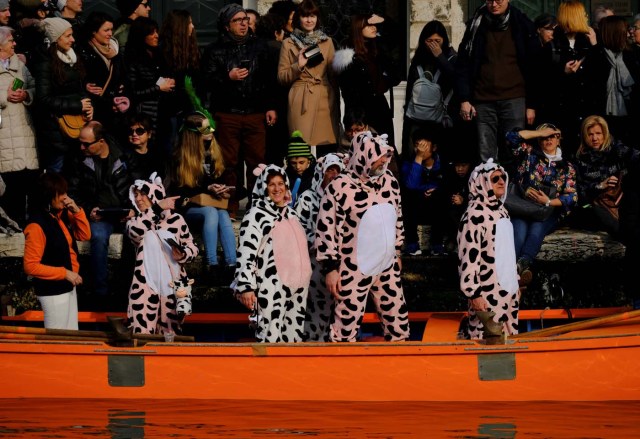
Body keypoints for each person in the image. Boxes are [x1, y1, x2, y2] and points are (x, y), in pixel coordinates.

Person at [315, 132, 409, 342]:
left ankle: (402, 365)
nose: (384, 161)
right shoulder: (340, 186)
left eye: (386, 156)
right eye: (380, 157)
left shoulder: (390, 182)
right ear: (364, 156)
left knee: (398, 323)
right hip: (353, 267)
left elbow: (398, 216)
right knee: (345, 326)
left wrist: (398, 249)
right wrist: (330, 268)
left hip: (386, 264)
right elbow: (326, 229)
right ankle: (341, 367)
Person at [202, 4, 276, 214]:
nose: (243, 23)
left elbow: (269, 80)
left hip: (255, 112)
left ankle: (257, 205)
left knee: (256, 161)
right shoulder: (214, 50)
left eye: (245, 19)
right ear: (227, 26)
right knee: (228, 162)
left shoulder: (261, 47)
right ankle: (230, 205)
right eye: (237, 20)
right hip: (227, 113)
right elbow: (205, 82)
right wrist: (228, 77)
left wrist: (270, 106)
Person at [233, 164, 311, 343]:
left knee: (294, 340)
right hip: (270, 289)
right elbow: (246, 252)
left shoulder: (291, 214)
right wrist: (246, 286)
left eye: (281, 183)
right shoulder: (255, 215)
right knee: (270, 338)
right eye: (271, 185)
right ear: (263, 187)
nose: (277, 189)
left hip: (298, 289)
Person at [455, 0, 539, 162]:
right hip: (483, 99)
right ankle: (487, 186)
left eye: (498, 0)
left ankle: (514, 187)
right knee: (486, 154)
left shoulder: (522, 24)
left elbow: (534, 67)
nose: (494, 4)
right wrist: (464, 99)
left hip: (514, 97)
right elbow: (463, 64)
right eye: (489, 1)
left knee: (514, 150)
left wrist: (532, 105)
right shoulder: (476, 25)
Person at [125, 172, 198, 335]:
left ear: (154, 194)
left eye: (143, 194)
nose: (138, 199)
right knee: (142, 336)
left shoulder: (176, 220)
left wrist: (184, 253)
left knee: (171, 337)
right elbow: (135, 232)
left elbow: (193, 247)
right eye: (136, 195)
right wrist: (157, 208)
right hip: (145, 290)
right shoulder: (135, 221)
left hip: (172, 290)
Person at [505, 124, 577, 283]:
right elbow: (511, 136)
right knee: (518, 234)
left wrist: (549, 201)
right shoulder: (529, 154)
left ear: (559, 139)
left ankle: (521, 266)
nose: (548, 139)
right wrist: (539, 132)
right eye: (544, 136)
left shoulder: (567, 167)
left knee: (536, 231)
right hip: (522, 207)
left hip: (547, 212)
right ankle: (510, 273)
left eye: (552, 136)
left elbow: (573, 197)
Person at [67, 121, 132, 296]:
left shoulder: (123, 156)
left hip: (125, 213)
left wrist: (132, 209)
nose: (82, 147)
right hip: (99, 216)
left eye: (86, 143)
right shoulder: (79, 160)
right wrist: (89, 210)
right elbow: (72, 192)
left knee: (138, 235)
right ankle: (100, 291)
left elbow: (137, 186)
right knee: (98, 236)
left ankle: (129, 287)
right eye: (80, 142)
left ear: (101, 142)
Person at [169, 112, 236, 278]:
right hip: (188, 208)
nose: (212, 131)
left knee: (222, 213)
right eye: (206, 129)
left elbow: (221, 180)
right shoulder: (179, 157)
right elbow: (180, 193)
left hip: (210, 205)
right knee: (212, 212)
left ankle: (232, 264)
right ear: (194, 134)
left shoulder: (212, 150)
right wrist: (208, 188)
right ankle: (210, 263)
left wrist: (222, 189)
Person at [457, 159, 519, 339]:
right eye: (495, 179)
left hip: (509, 292)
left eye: (503, 178)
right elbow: (468, 258)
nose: (502, 182)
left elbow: (508, 253)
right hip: (486, 296)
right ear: (482, 183)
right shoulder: (473, 215)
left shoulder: (502, 211)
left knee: (511, 341)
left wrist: (515, 283)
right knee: (487, 344)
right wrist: (474, 294)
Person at [23, 172, 90, 329]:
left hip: (67, 286)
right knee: (56, 339)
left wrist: (77, 211)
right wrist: (65, 273)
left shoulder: (60, 215)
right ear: (48, 196)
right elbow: (30, 266)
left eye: (65, 192)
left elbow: (84, 234)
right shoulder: (36, 225)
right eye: (60, 194)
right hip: (53, 292)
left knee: (71, 336)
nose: (65, 197)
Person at [31, 17, 93, 172]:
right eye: (67, 36)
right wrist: (77, 105)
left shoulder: (71, 57)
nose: (72, 39)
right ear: (55, 38)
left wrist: (88, 105)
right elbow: (43, 99)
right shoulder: (45, 61)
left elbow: (78, 88)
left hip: (76, 125)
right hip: (55, 131)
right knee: (56, 174)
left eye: (72, 34)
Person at [295, 153, 345, 341]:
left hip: (342, 264)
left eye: (337, 171)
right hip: (315, 264)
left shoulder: (347, 198)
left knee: (343, 313)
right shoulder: (307, 198)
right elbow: (298, 231)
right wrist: (321, 242)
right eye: (330, 170)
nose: (333, 175)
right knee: (316, 311)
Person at [538, 0, 598, 156]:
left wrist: (595, 46)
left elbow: (601, 75)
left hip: (586, 111)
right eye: (582, 14)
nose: (586, 17)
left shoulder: (588, 42)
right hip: (563, 112)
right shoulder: (552, 46)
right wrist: (563, 72)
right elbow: (541, 83)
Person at [278, 0, 339, 153]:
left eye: (313, 16)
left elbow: (333, 76)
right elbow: (282, 77)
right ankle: (302, 177)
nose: (309, 20)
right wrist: (298, 65)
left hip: (325, 97)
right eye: (305, 16)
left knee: (326, 148)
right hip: (301, 97)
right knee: (300, 148)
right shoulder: (288, 43)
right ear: (299, 18)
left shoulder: (327, 42)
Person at [333, 13, 400, 144]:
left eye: (374, 25)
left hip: (380, 109)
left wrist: (384, 20)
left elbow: (396, 36)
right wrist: (355, 119)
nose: (374, 27)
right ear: (358, 28)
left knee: (384, 150)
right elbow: (349, 94)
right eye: (368, 25)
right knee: (364, 153)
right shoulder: (347, 57)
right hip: (361, 114)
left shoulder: (377, 49)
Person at [573, 115, 640, 236]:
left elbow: (637, 159)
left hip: (623, 199)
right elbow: (580, 193)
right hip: (598, 204)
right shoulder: (579, 160)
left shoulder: (617, 149)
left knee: (632, 202)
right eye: (590, 134)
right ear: (584, 136)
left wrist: (624, 183)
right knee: (619, 229)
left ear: (605, 134)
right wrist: (600, 186)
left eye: (599, 133)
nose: (595, 138)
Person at [402, 20, 457, 161]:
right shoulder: (418, 60)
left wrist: (440, 57)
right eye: (429, 40)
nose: (433, 44)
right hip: (416, 117)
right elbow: (410, 90)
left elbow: (456, 79)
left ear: (444, 40)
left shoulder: (451, 57)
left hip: (441, 118)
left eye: (437, 40)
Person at [0, 26, 38, 227]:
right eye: (10, 41)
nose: (14, 44)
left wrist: (26, 95)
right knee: (9, 187)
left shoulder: (20, 66)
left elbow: (33, 86)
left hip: (24, 132)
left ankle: (30, 230)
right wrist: (4, 97)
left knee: (29, 183)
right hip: (4, 136)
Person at [157, 9, 201, 156]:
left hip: (189, 109)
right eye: (189, 23)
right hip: (170, 112)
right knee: (171, 150)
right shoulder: (162, 52)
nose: (193, 27)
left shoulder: (191, 50)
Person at [77, 11, 129, 132]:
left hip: (116, 112)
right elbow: (76, 78)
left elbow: (124, 76)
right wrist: (84, 85)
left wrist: (122, 89)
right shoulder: (82, 52)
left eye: (111, 30)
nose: (110, 34)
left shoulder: (115, 50)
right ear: (94, 31)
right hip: (96, 111)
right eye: (106, 30)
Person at [401, 128, 447, 256]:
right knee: (408, 196)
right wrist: (419, 158)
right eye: (417, 146)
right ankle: (412, 244)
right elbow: (410, 186)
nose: (419, 150)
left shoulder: (442, 164)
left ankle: (437, 244)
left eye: (424, 146)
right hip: (416, 207)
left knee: (441, 196)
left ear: (434, 148)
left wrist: (436, 190)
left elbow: (447, 186)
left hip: (437, 208)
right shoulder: (408, 163)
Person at [124, 17, 174, 132]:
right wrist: (158, 88)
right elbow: (132, 93)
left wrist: (170, 81)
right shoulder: (133, 59)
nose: (156, 35)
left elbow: (167, 74)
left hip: (163, 112)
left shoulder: (159, 54)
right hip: (144, 115)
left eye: (156, 31)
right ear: (141, 35)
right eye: (152, 33)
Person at [592, 16, 634, 146]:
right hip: (601, 116)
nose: (628, 33)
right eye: (625, 30)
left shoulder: (632, 55)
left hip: (629, 115)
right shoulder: (595, 56)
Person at [256, 12, 289, 166]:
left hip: (256, 108)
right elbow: (277, 81)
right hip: (278, 106)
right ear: (277, 32)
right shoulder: (279, 49)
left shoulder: (252, 48)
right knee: (276, 153)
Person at [124, 113, 163, 180]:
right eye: (131, 131)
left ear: (149, 134)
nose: (134, 134)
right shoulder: (124, 157)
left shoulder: (157, 156)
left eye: (139, 131)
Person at [284, 130, 316, 206]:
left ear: (309, 160)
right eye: (293, 163)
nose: (298, 167)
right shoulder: (285, 177)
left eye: (301, 162)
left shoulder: (316, 175)